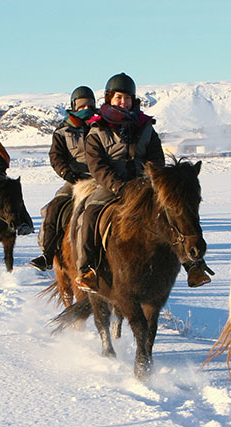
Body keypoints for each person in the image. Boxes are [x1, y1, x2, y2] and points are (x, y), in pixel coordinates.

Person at [73, 73, 212, 292]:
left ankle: (193, 265)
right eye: (119, 97)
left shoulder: (146, 127)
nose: (123, 102)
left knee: (174, 212)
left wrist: (150, 181)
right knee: (90, 214)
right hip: (111, 187)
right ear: (109, 98)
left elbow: (156, 159)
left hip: (144, 186)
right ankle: (88, 270)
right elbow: (97, 166)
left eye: (127, 98)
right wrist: (118, 185)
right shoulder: (96, 130)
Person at [29, 86, 97, 272]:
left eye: (90, 105)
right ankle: (48, 254)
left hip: (101, 178)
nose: (86, 109)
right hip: (75, 181)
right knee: (55, 208)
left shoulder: (102, 125)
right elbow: (56, 157)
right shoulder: (62, 131)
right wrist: (67, 173)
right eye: (82, 105)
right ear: (73, 106)